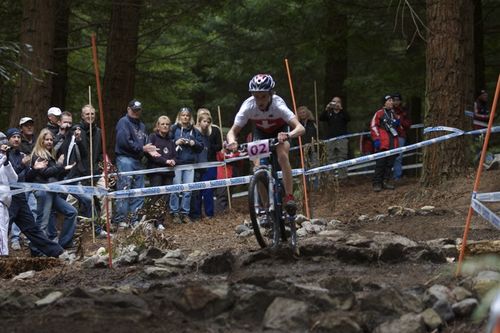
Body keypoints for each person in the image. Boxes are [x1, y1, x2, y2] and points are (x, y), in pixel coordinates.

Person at [226, 74, 305, 210]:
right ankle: (266, 206)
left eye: (263, 96)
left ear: (271, 94)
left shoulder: (278, 104)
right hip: (260, 133)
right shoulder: (248, 106)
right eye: (256, 96)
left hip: (280, 133)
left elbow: (300, 128)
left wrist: (288, 134)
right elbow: (232, 132)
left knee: (282, 155)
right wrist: (232, 142)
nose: (260, 100)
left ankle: (289, 196)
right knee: (257, 168)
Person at [6, 128, 64, 257]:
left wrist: (35, 169)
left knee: (32, 229)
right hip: (7, 199)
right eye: (13, 137)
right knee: (4, 228)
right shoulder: (4, 156)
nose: (16, 139)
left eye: (18, 137)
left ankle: (56, 252)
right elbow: (10, 175)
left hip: (20, 198)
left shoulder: (21, 155)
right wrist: (22, 164)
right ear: (8, 140)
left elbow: (27, 177)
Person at [114, 99, 159, 228]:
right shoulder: (123, 122)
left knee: (139, 190)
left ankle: (134, 219)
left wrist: (149, 151)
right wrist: (142, 148)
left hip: (138, 160)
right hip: (125, 159)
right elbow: (124, 142)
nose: (136, 112)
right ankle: (121, 219)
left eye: (138, 110)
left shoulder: (142, 126)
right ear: (128, 109)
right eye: (133, 110)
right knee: (124, 188)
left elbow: (144, 144)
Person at [29, 128, 77, 249]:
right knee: (42, 222)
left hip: (52, 191)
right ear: (41, 141)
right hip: (43, 192)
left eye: (51, 139)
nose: (50, 142)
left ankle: (63, 244)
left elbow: (53, 173)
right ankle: (36, 249)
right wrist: (61, 167)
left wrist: (63, 168)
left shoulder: (50, 154)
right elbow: (45, 172)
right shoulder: (39, 155)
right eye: (47, 140)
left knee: (71, 212)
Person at [169, 107, 203, 224]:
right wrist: (175, 142)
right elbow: (166, 143)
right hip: (177, 164)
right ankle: (174, 213)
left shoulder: (194, 130)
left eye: (187, 115)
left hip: (189, 164)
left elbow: (201, 146)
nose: (185, 117)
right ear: (179, 116)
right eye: (183, 115)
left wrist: (193, 143)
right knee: (175, 189)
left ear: (190, 117)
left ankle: (185, 214)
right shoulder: (173, 129)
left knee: (188, 190)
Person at [147, 115, 176, 230]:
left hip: (168, 173)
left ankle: (160, 221)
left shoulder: (171, 140)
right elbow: (151, 154)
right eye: (162, 124)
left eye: (167, 124)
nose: (165, 126)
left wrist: (174, 161)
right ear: (158, 126)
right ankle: (151, 220)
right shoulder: (152, 137)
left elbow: (175, 155)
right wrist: (165, 161)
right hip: (156, 172)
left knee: (165, 198)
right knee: (155, 196)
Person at [192, 110, 222, 220]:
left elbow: (219, 146)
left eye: (208, 120)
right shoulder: (194, 131)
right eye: (203, 119)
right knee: (197, 190)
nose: (206, 122)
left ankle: (209, 213)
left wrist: (210, 147)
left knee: (208, 189)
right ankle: (196, 214)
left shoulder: (214, 130)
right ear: (199, 119)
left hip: (211, 162)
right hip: (198, 163)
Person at [370, 94, 400, 192]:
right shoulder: (379, 113)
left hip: (393, 142)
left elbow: (398, 127)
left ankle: (385, 182)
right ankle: (377, 183)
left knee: (389, 164)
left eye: (392, 100)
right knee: (380, 164)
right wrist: (376, 140)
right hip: (382, 143)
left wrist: (398, 122)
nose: (391, 102)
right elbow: (373, 126)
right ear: (384, 103)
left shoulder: (393, 113)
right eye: (389, 100)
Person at [319, 96, 350, 178]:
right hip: (331, 138)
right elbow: (321, 118)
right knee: (330, 158)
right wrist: (326, 109)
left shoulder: (343, 113)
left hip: (342, 138)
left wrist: (341, 109)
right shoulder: (329, 113)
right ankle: (331, 178)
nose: (335, 104)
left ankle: (343, 177)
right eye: (334, 102)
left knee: (342, 157)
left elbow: (348, 118)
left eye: (337, 102)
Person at [0, 132, 18, 256]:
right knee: (1, 228)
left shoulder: (4, 159)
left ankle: (4, 253)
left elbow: (14, 179)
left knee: (4, 228)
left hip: (5, 200)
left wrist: (6, 162)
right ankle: (3, 255)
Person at [391, 93, 412, 180]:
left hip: (400, 136)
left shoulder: (404, 111)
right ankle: (386, 177)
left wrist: (400, 122)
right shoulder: (387, 110)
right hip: (389, 136)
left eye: (397, 100)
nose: (396, 102)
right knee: (388, 156)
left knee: (398, 157)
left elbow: (408, 124)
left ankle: (397, 177)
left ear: (400, 101)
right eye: (394, 100)